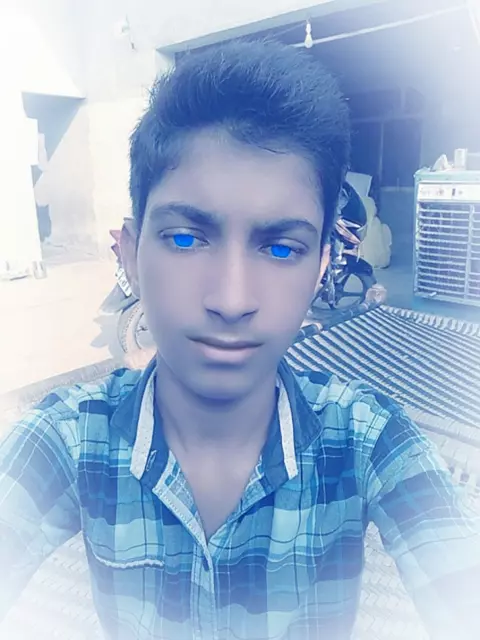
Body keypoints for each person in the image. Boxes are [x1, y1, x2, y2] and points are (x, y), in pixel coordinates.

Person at [0, 39, 479, 640]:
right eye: (185, 238)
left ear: (322, 269)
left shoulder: (368, 439)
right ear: (130, 254)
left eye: (280, 248)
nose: (231, 300)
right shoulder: (68, 438)